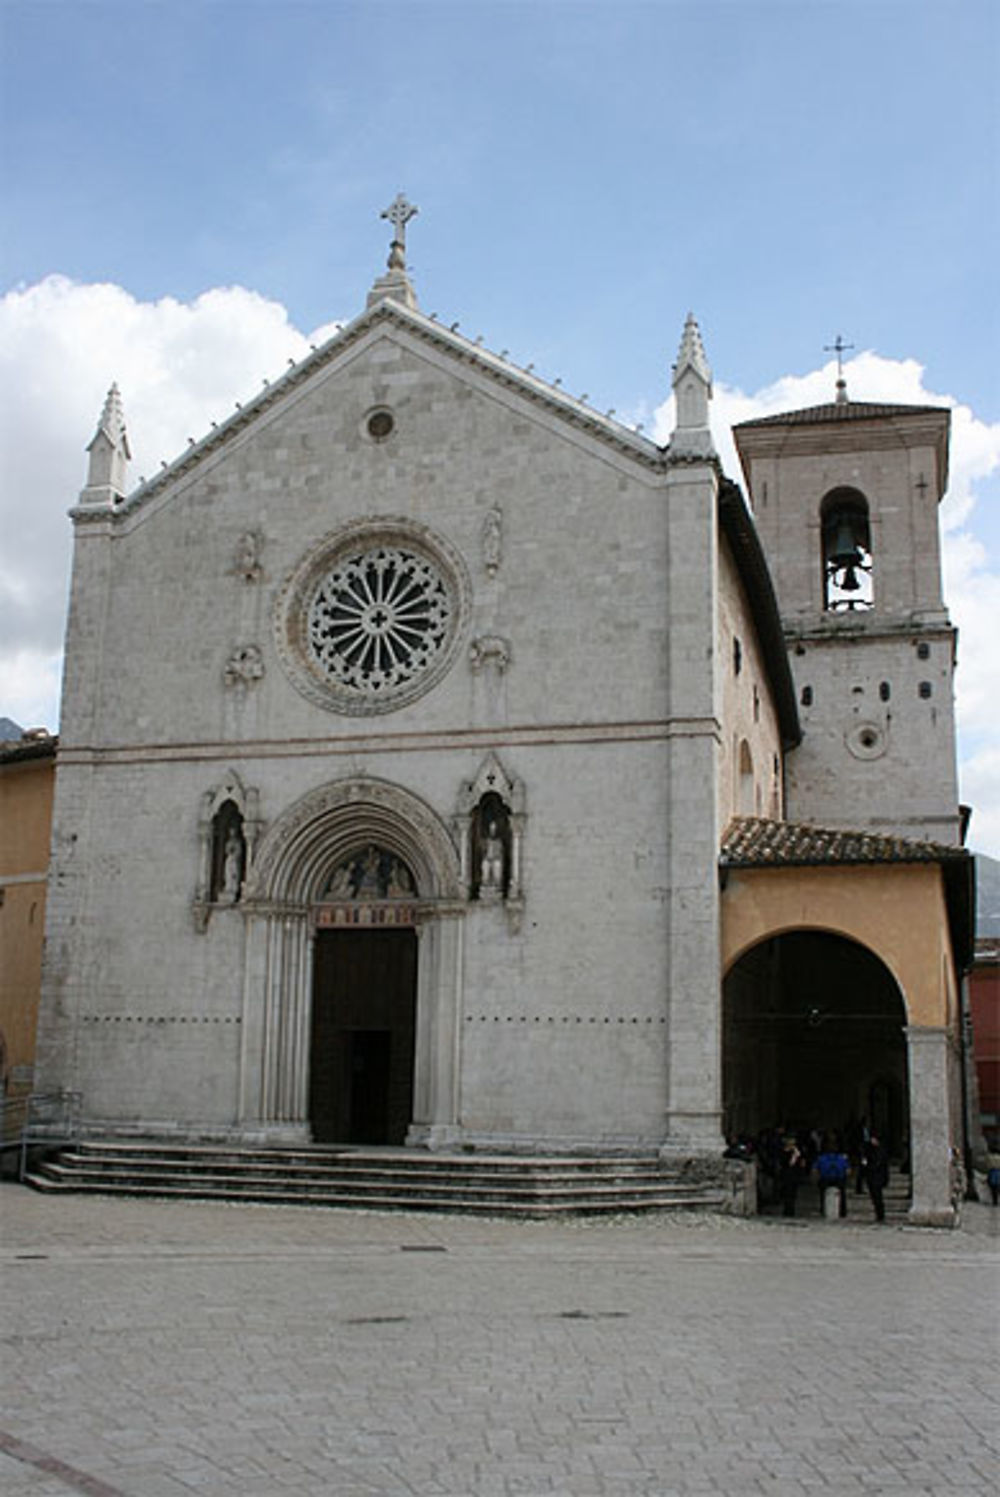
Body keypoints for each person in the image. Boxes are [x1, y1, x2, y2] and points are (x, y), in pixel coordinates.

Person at [815, 1136, 849, 1218]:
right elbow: (848, 1170)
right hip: (839, 1179)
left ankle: (823, 1208)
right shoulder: (842, 1159)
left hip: (825, 1178)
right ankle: (842, 1211)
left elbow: (815, 1169)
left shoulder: (821, 1158)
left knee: (822, 1194)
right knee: (842, 1194)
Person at [862, 1132, 890, 1222]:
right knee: (875, 1196)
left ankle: (880, 1215)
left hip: (877, 1176)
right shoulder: (870, 1150)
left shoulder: (880, 1151)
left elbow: (881, 1165)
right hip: (872, 1176)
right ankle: (879, 1214)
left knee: (878, 1196)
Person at [778, 1136, 806, 1217]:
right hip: (787, 1174)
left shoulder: (797, 1151)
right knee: (787, 1193)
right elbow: (789, 1163)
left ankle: (791, 1210)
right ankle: (787, 1210)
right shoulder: (784, 1153)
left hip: (794, 1174)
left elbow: (802, 1163)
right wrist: (794, 1156)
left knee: (793, 1193)